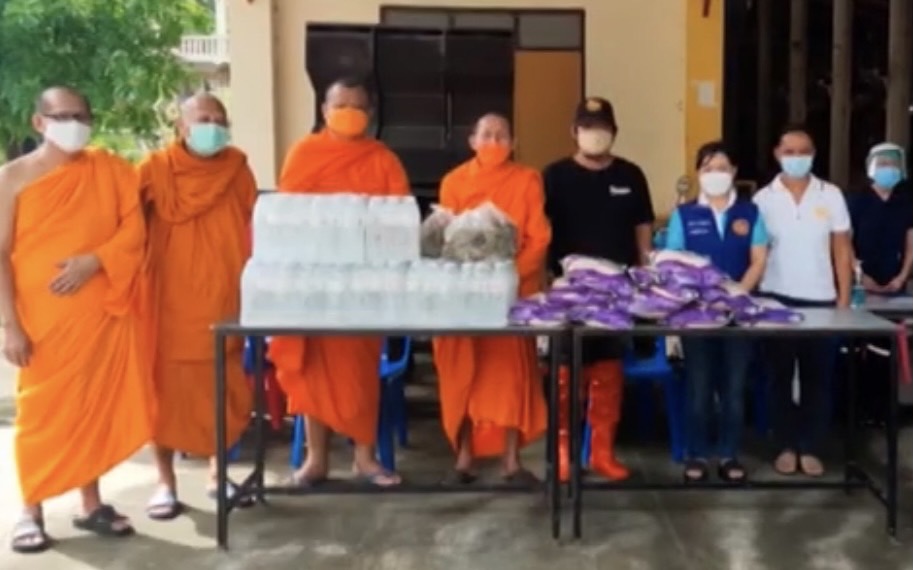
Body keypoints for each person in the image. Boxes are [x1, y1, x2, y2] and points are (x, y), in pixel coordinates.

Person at [1, 87, 153, 553]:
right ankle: (31, 509)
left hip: (100, 314)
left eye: (83, 116)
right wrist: (9, 325)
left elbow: (135, 230)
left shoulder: (110, 171)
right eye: (64, 116)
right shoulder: (12, 177)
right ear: (39, 122)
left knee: (93, 408)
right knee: (42, 412)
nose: (75, 124)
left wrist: (96, 260)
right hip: (42, 320)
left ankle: (91, 504)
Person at [269, 76, 408, 487]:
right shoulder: (304, 154)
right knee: (313, 371)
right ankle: (317, 460)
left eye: (357, 106)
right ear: (324, 110)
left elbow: (399, 218)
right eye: (340, 105)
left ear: (370, 114)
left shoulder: (383, 159)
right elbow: (289, 215)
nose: (349, 113)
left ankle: (364, 458)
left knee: (360, 374)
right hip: (314, 283)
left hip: (364, 284)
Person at [138, 92, 257, 519]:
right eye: (202, 118)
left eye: (219, 119)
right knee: (164, 398)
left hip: (224, 299)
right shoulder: (154, 170)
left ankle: (217, 473)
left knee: (221, 392)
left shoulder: (237, 168)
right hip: (168, 302)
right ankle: (165, 483)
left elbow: (251, 224)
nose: (212, 126)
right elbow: (129, 231)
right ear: (181, 127)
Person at [433, 113, 551, 485]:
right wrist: (473, 278)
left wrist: (507, 278)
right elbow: (446, 238)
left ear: (513, 143)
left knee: (511, 379)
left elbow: (538, 238)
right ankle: (464, 458)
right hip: (464, 296)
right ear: (472, 141)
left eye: (502, 135)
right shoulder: (454, 181)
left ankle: (512, 461)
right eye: (487, 134)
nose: (494, 141)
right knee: (463, 375)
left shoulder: (527, 179)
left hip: (509, 296)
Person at [543, 97, 656, 482]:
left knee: (608, 371)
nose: (595, 135)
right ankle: (563, 453)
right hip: (568, 292)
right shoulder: (554, 176)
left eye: (602, 128)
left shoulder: (631, 175)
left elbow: (643, 227)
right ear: (574, 132)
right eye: (588, 127)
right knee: (565, 374)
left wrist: (646, 274)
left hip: (616, 293)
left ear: (614, 133)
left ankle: (602, 452)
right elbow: (540, 232)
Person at [664, 142, 768, 483]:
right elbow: (675, 262)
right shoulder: (684, 214)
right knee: (699, 385)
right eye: (708, 169)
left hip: (739, 314)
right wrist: (702, 297)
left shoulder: (750, 212)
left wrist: (738, 293)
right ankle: (696, 454)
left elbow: (758, 259)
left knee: (734, 387)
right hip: (696, 314)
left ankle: (729, 454)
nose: (715, 175)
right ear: (698, 174)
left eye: (722, 168)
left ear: (734, 172)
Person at [753, 124, 854, 477]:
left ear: (813, 155)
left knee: (817, 378)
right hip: (774, 298)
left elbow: (842, 250)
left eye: (804, 151)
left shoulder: (831, 195)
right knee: (778, 377)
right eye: (790, 152)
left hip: (821, 299)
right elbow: (756, 254)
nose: (797, 158)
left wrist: (843, 300)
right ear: (777, 154)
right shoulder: (762, 200)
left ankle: (810, 445)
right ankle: (784, 445)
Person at [846, 142, 913, 425]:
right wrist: (860, 276)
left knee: (886, 350)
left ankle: (883, 411)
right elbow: (845, 243)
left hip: (894, 287)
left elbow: (910, 243)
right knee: (855, 350)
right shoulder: (856, 202)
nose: (889, 169)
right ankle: (852, 411)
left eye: (894, 164)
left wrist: (902, 276)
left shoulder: (905, 203)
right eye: (883, 164)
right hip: (861, 287)